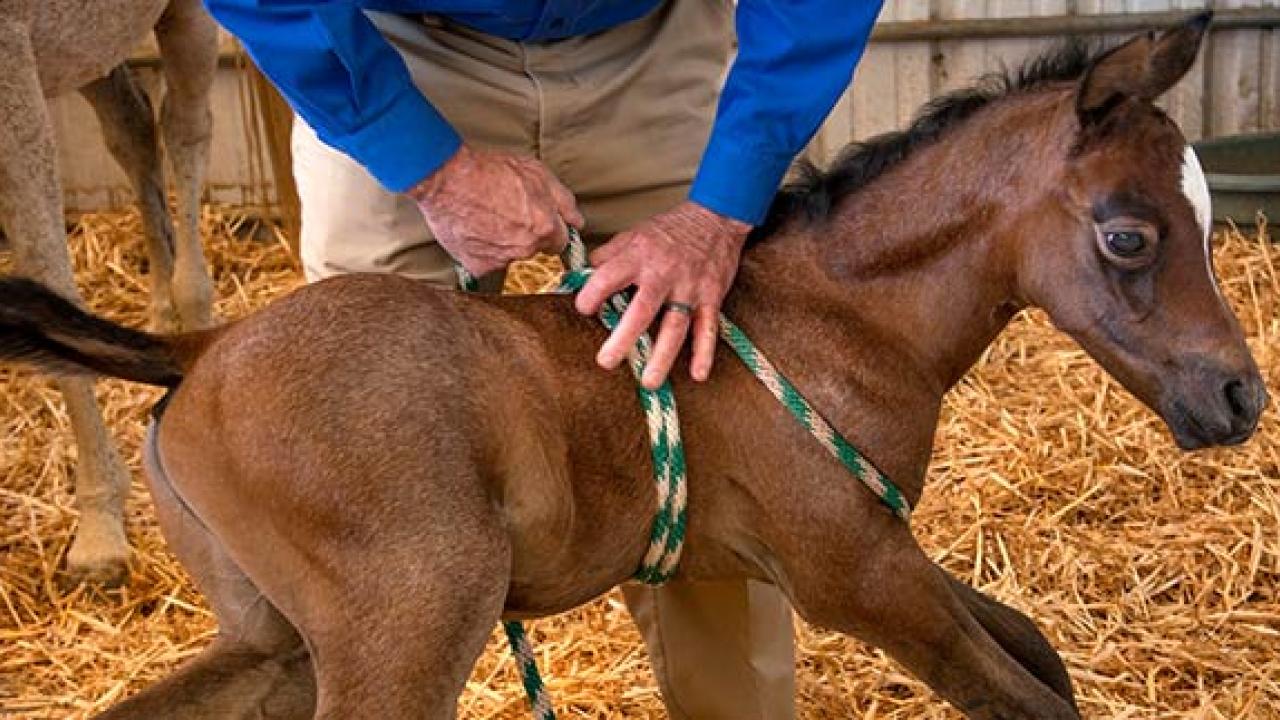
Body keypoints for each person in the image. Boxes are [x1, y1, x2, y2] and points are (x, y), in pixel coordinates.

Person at [203, 1, 885, 717]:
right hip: (388, 54)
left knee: (717, 424)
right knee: (365, 469)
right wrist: (427, 166)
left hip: (652, 50)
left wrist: (721, 208)